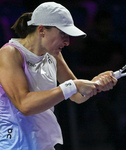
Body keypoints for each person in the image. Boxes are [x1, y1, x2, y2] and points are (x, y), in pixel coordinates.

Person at [0, 2, 117, 150]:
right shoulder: (9, 54)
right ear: (42, 30)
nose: (67, 42)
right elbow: (25, 105)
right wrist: (74, 85)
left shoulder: (53, 55)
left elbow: (77, 96)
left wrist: (95, 84)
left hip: (44, 145)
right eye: (63, 34)